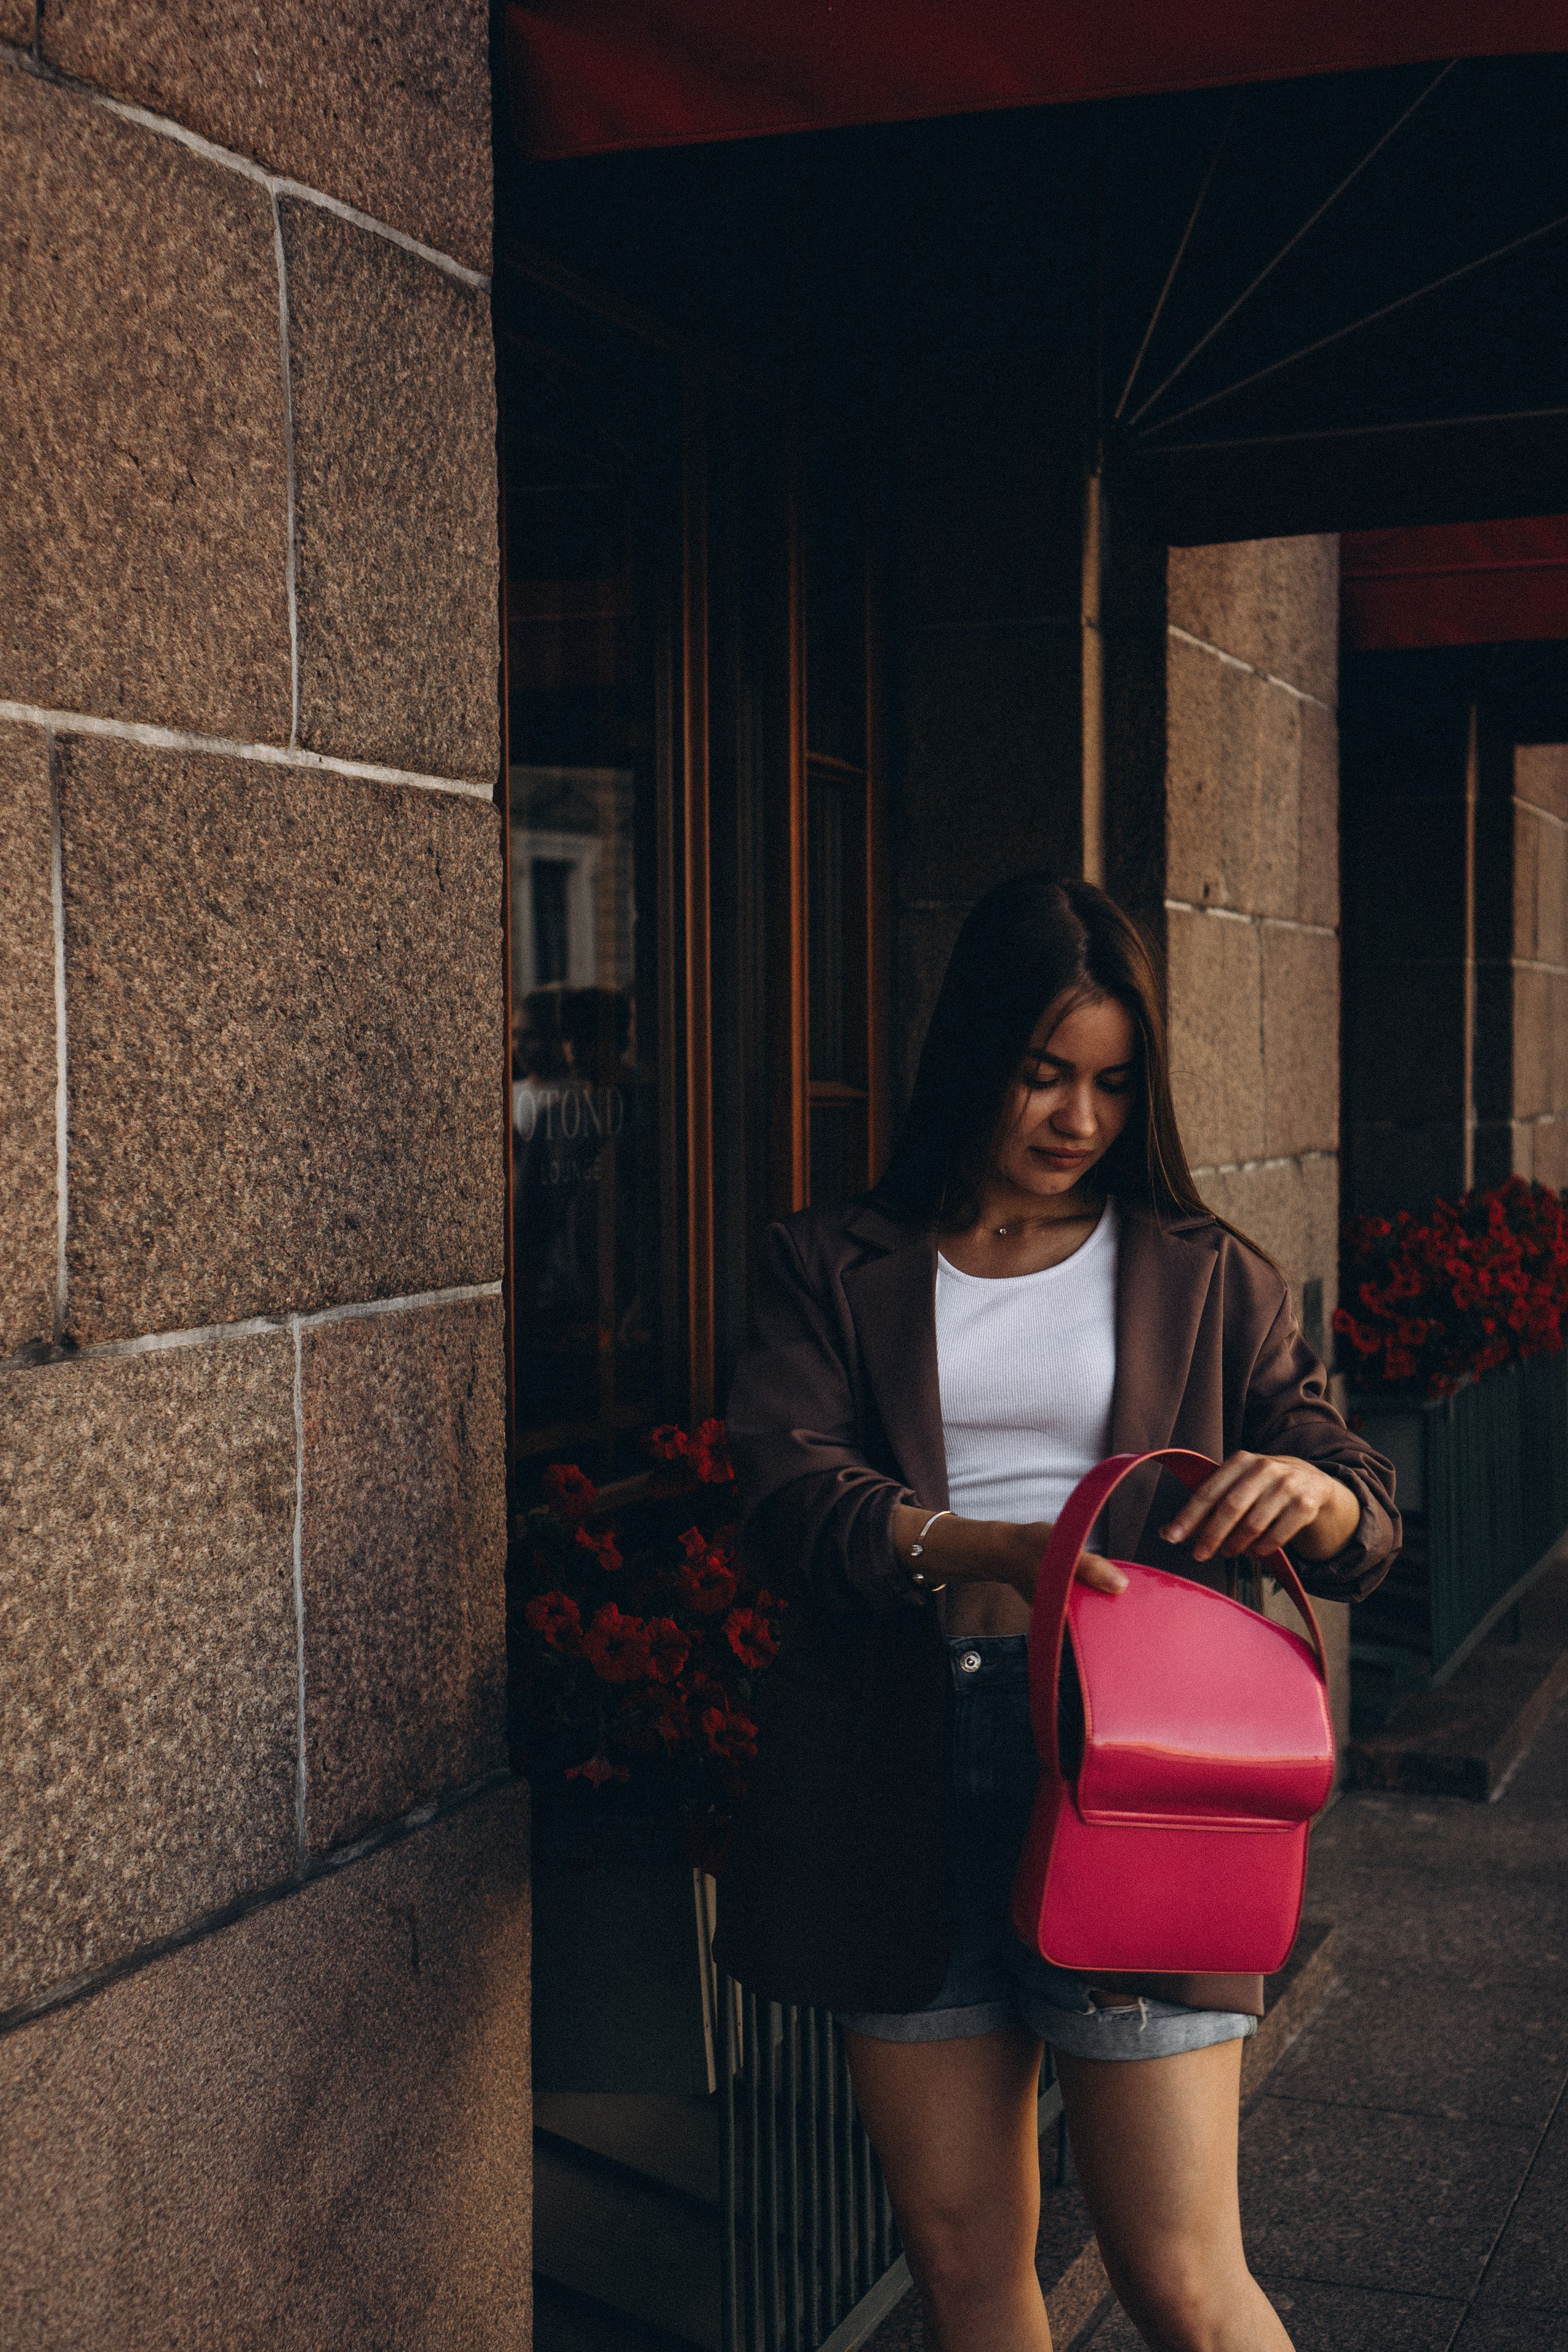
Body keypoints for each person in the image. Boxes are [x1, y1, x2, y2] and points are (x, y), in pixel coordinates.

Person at [716, 874, 1398, 2352]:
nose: (1077, 1118)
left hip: (1131, 1774)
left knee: (1183, 2283)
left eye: (1111, 1082)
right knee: (964, 2268)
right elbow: (787, 1495)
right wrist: (989, 1547)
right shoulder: (827, 1264)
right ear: (972, 1056)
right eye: (1041, 1073)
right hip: (899, 1774)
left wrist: (1315, 1495)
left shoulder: (1205, 1274)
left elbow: (1356, 1503)